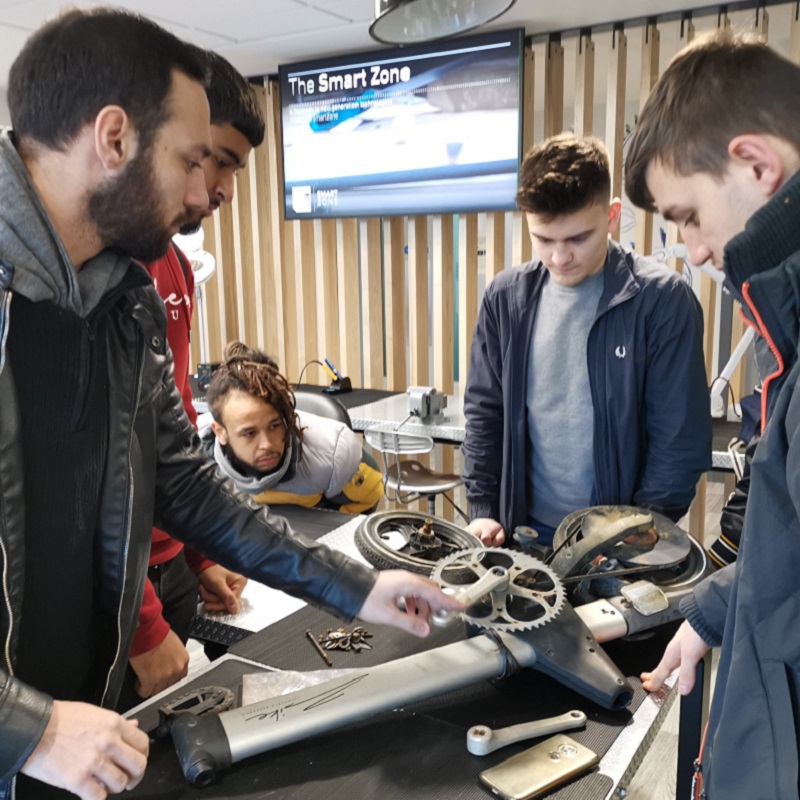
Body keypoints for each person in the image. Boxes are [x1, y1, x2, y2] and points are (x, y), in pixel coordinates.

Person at [0, 9, 461, 799]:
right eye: (188, 160)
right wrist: (24, 725)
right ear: (113, 140)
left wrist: (355, 587)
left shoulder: (123, 297)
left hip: (82, 720)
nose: (200, 194)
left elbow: (186, 486)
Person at [624, 29, 800, 798]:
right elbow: (783, 544)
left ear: (756, 165)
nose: (692, 250)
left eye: (689, 215)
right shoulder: (779, 322)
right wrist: (709, 614)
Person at [462, 133, 712, 547]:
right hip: (521, 530)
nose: (560, 258)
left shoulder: (663, 301)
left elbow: (678, 438)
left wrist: (639, 530)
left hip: (621, 538)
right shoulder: (505, 298)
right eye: (543, 239)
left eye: (578, 238)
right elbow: (485, 414)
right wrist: (484, 509)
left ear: (611, 216)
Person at [121, 51, 266, 711]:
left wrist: (198, 553)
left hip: (166, 569)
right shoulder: (88, 284)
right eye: (218, 160)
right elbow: (83, 478)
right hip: (113, 595)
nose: (226, 189)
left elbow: (169, 437)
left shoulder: (174, 267)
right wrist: (144, 622)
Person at [201, 342, 384, 512]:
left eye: (275, 425)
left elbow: (370, 494)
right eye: (249, 433)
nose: (267, 444)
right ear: (220, 432)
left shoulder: (333, 457)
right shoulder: (197, 461)